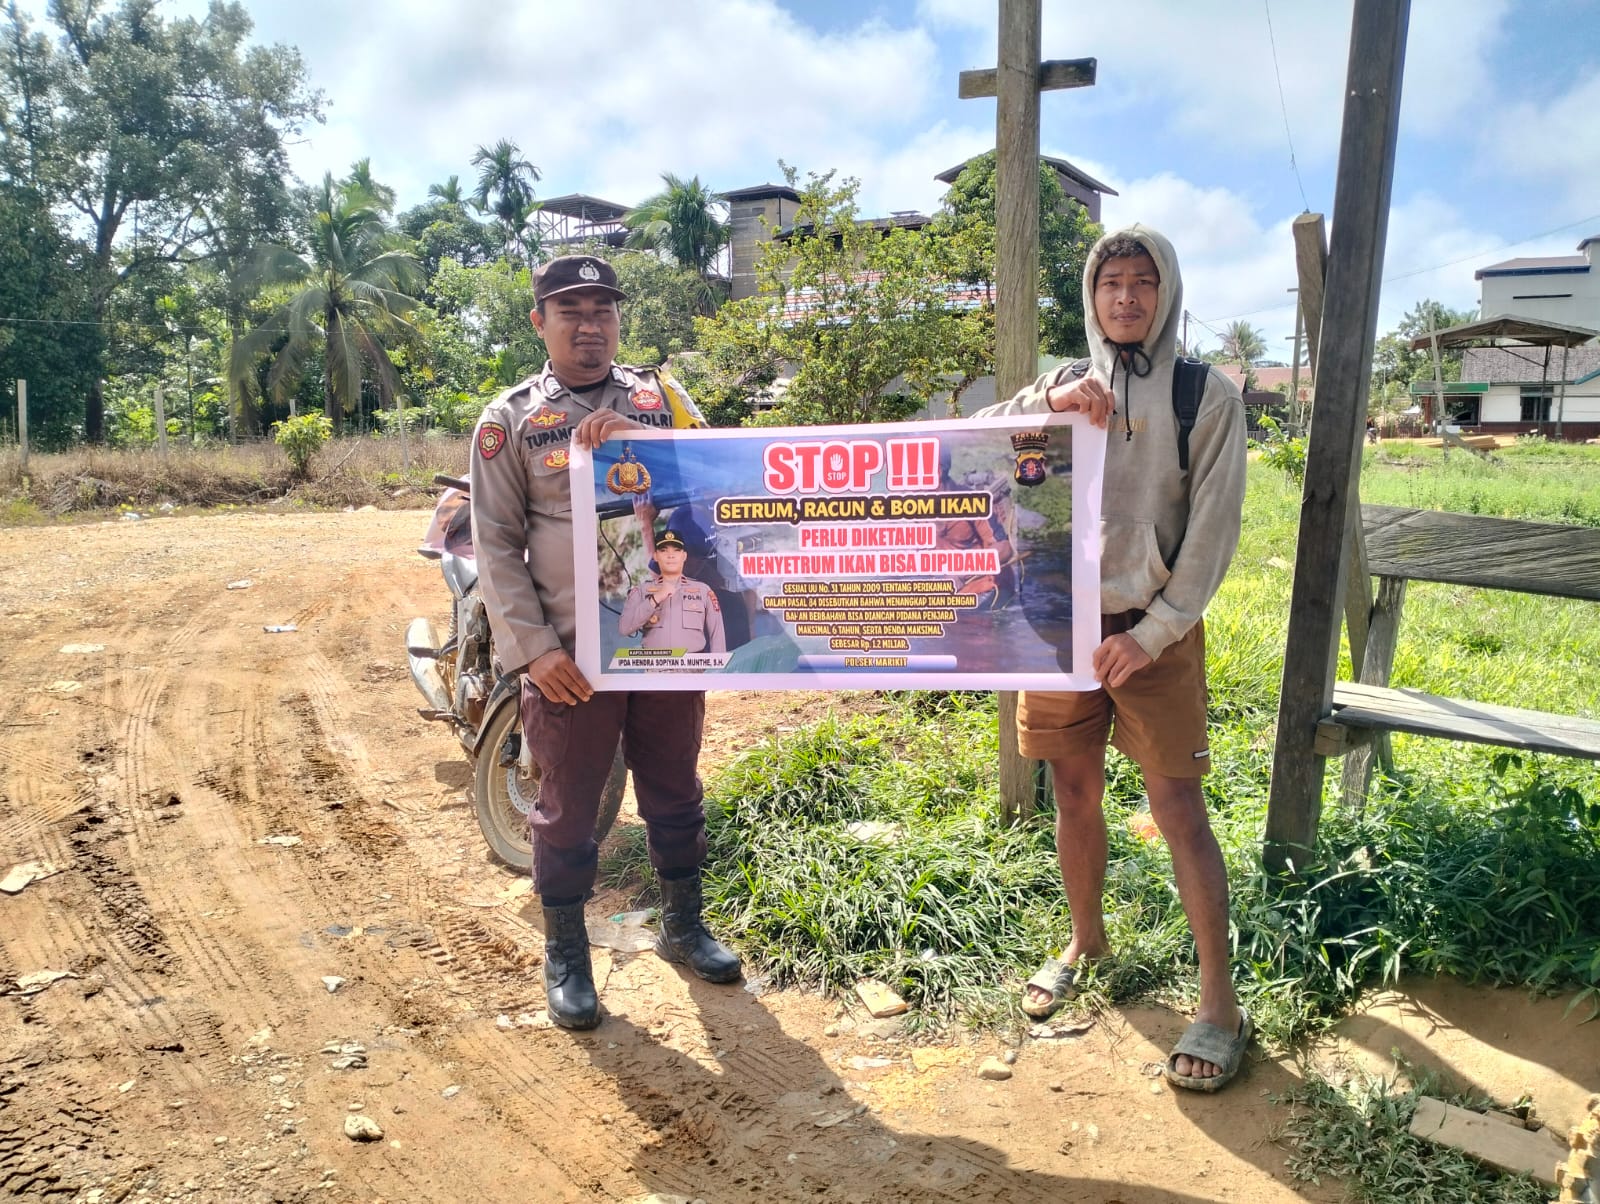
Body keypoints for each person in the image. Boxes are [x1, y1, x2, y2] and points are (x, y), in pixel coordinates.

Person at [978, 226, 1250, 1092]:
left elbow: (1212, 534)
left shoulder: (1205, 397)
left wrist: (1154, 632)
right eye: (1110, 284)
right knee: (1073, 789)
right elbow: (971, 443)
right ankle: (1086, 941)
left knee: (1176, 806)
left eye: (1142, 283)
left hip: (1150, 633)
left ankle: (1218, 1005)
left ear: (1166, 293)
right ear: (1091, 298)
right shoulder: (1061, 383)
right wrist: (1051, 409)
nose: (1126, 298)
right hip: (1057, 626)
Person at [470, 254, 741, 1031]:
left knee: (675, 788)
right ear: (541, 323)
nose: (590, 326)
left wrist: (639, 441)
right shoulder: (510, 421)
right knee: (567, 807)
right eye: (571, 311)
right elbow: (495, 545)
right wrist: (535, 651)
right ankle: (567, 952)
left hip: (663, 643)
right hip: (571, 659)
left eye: (603, 311)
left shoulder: (661, 399)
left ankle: (684, 926)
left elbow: (723, 481)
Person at [618, 528, 727, 654]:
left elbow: (717, 636)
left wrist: (717, 670)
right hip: (656, 669)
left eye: (676, 550)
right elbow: (624, 629)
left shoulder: (703, 590)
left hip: (694, 669)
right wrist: (656, 598)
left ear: (684, 556)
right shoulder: (641, 591)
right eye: (664, 551)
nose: (671, 555)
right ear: (656, 556)